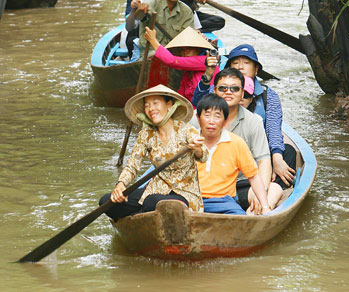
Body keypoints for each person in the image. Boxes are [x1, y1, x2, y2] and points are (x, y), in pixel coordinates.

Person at [192, 45, 297, 195]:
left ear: (256, 70)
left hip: (257, 151)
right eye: (235, 63)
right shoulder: (219, 93)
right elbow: (200, 106)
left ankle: (272, 190)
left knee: (287, 153)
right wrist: (207, 76)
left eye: (246, 63)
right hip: (222, 155)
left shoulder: (268, 98)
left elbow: (273, 130)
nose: (240, 67)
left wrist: (276, 158)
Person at [99, 85, 207, 221]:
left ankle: (139, 216)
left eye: (155, 103)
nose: (151, 109)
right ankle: (142, 215)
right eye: (147, 105)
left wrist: (196, 148)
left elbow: (203, 155)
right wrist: (121, 185)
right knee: (107, 202)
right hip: (156, 190)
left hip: (184, 195)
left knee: (153, 202)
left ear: (169, 105)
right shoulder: (146, 134)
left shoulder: (185, 130)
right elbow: (132, 165)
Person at [192, 67, 282, 212]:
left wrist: (262, 195)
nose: (228, 92)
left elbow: (263, 160)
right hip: (201, 184)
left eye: (234, 89)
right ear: (214, 91)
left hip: (239, 183)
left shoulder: (253, 121)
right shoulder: (198, 117)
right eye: (223, 88)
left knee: (274, 190)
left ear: (242, 94)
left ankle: (252, 218)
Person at [196, 93, 270, 215]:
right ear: (198, 119)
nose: (211, 122)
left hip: (224, 202)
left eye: (217, 116)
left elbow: (253, 176)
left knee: (239, 219)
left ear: (225, 121)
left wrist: (265, 206)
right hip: (192, 199)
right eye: (207, 115)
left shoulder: (236, 143)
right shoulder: (189, 141)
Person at [126, 0, 194, 59]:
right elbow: (137, 19)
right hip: (149, 55)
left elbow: (188, 40)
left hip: (174, 57)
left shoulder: (186, 11)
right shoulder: (153, 1)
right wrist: (139, 10)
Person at [144, 26, 219, 102]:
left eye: (189, 48)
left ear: (198, 49)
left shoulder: (205, 60)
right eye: (182, 49)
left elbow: (172, 61)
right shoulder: (187, 74)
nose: (184, 52)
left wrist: (153, 40)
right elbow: (180, 96)